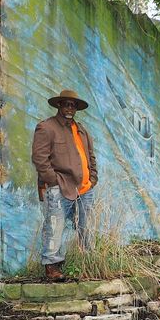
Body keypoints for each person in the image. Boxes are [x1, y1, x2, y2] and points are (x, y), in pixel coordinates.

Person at [32, 89, 98, 282]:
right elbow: (39, 158)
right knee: (55, 225)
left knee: (87, 227)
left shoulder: (82, 130)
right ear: (59, 105)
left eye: (73, 105)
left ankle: (89, 262)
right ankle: (52, 266)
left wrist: (93, 178)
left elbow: (90, 156)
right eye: (66, 104)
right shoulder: (47, 127)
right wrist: (53, 181)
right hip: (60, 186)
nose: (70, 108)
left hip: (85, 188)